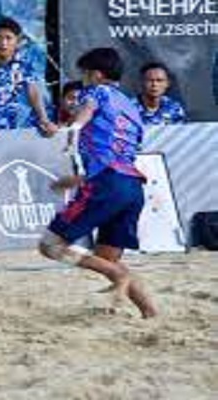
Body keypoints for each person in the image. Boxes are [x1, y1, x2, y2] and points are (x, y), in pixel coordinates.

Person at [39, 47, 157, 319]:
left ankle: (118, 276)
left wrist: (73, 129)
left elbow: (86, 113)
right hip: (132, 187)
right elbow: (116, 153)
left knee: (50, 246)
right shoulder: (131, 107)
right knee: (105, 259)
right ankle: (150, 313)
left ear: (97, 74)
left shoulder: (97, 91)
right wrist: (79, 178)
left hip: (108, 184)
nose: (82, 81)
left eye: (84, 75)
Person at [0, 16, 55, 139]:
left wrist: (44, 120)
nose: (3, 43)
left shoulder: (25, 61)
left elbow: (33, 91)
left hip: (18, 125)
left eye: (9, 38)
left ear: (17, 41)